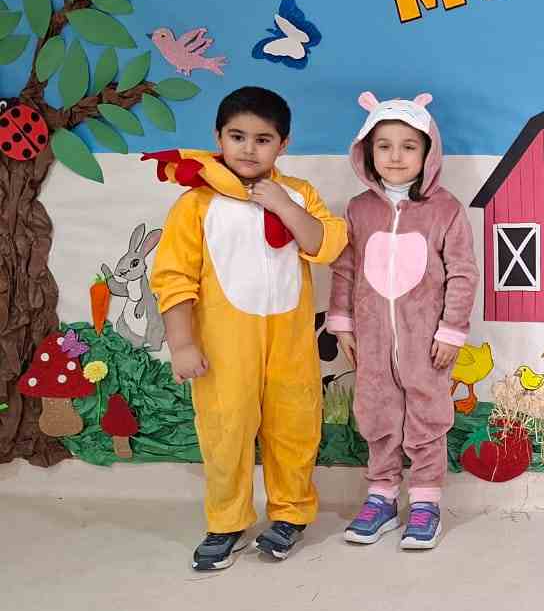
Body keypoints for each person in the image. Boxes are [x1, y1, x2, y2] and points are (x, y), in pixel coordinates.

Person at [150, 86, 347, 571]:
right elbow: (173, 278)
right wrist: (182, 343)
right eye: (237, 136)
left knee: (294, 425)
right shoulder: (196, 204)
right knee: (226, 428)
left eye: (263, 139)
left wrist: (283, 205)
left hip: (289, 341)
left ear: (283, 144)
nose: (248, 149)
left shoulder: (299, 193)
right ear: (218, 136)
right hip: (224, 343)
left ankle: (290, 513)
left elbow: (325, 245)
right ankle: (227, 521)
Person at [327, 91, 479, 550]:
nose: (395, 156)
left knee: (428, 415)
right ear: (367, 153)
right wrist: (343, 324)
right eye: (384, 146)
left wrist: (452, 330)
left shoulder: (445, 209)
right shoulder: (359, 209)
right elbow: (345, 268)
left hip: (426, 341)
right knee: (376, 412)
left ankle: (426, 501)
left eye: (409, 146)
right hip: (372, 339)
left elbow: (463, 273)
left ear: (428, 153)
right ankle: (382, 496)